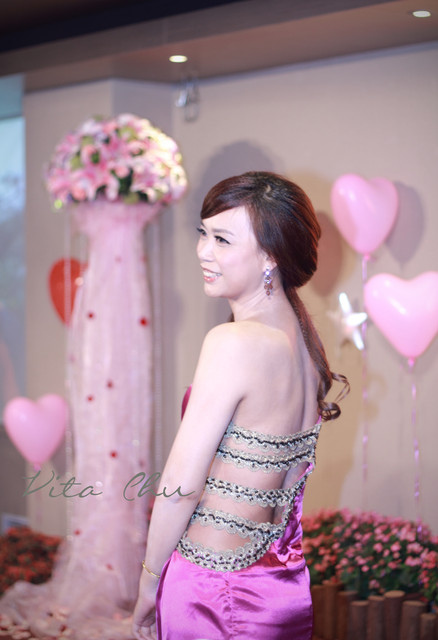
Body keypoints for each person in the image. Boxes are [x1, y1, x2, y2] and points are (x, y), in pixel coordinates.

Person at [132, 171, 348, 640]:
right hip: (278, 582)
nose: (203, 251)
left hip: (211, 589)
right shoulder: (306, 345)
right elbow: (288, 483)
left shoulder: (234, 342)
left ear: (271, 256)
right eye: (203, 233)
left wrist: (150, 581)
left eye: (223, 240)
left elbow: (180, 486)